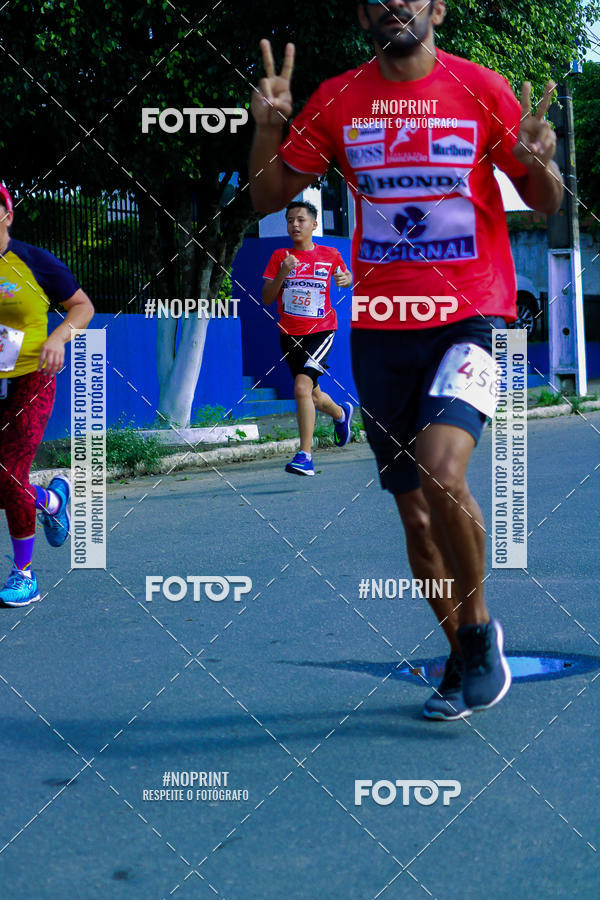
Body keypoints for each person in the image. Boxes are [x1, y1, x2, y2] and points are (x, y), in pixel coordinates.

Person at [249, 0, 562, 717]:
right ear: (363, 17)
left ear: (436, 9)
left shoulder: (483, 89)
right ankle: (458, 655)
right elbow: (269, 192)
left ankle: (479, 633)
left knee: (443, 469)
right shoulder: (337, 99)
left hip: (473, 315)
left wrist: (544, 164)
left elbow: (543, 200)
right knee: (417, 519)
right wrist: (267, 129)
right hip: (384, 329)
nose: (394, 3)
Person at [0, 184, 94, 607]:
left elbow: (82, 307)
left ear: (7, 214)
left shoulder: (32, 260)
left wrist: (59, 336)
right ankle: (53, 501)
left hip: (32, 379)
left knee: (8, 474)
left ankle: (25, 574)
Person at [262, 200, 354, 476]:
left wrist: (346, 278)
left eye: (301, 220)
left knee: (302, 388)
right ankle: (340, 413)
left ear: (314, 224)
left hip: (321, 331)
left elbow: (345, 275)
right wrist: (283, 272)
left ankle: (305, 456)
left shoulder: (330, 254)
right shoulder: (280, 256)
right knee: (312, 396)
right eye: (290, 220)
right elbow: (267, 298)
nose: (294, 225)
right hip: (289, 336)